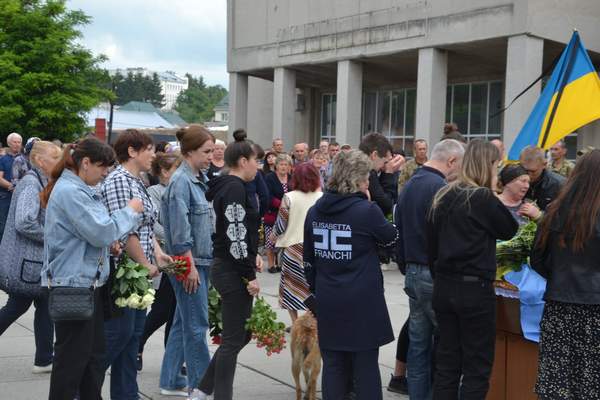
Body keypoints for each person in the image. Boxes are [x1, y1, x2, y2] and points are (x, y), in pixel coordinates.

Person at [40, 138, 143, 400]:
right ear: (85, 163)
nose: (106, 172)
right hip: (73, 285)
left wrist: (107, 246)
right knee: (72, 361)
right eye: (103, 166)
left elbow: (91, 235)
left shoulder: (78, 188)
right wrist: (129, 212)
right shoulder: (71, 192)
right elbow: (101, 230)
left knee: (92, 358)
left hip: (86, 284)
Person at [427, 139, 519, 399]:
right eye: (495, 166)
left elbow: (430, 248)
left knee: (447, 365)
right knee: (476, 368)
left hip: (444, 286)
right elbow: (509, 229)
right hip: (474, 289)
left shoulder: (443, 195)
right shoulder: (481, 197)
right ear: (487, 166)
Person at [303, 150, 397, 400]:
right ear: (356, 180)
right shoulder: (366, 212)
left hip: (329, 297)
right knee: (365, 366)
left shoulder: (315, 212)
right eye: (366, 178)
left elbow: (309, 259)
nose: (368, 183)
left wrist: (316, 291)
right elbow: (392, 238)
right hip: (362, 300)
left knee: (333, 365)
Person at [100, 129, 172, 400]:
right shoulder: (120, 180)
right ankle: (81, 389)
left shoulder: (137, 179)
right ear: (132, 151)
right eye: (149, 149)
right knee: (119, 336)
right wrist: (144, 263)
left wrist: (158, 253)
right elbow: (125, 230)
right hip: (124, 271)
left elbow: (145, 228)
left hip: (138, 271)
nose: (154, 154)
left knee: (132, 339)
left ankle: (127, 394)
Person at [395, 139, 464, 399]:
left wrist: (404, 264)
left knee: (419, 347)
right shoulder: (440, 187)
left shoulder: (411, 183)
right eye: (460, 166)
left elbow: (399, 227)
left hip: (413, 271)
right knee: (448, 344)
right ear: (452, 161)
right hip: (432, 273)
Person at [196, 130, 263, 400]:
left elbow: (239, 233)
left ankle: (202, 390)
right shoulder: (234, 188)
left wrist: (252, 254)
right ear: (243, 161)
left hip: (229, 264)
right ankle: (218, 394)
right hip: (231, 269)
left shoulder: (228, 186)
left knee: (240, 335)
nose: (258, 167)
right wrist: (249, 276)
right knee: (234, 340)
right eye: (256, 161)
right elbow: (234, 234)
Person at [531, 149, 600, 400]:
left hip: (559, 304)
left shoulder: (554, 210)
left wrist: (558, 275)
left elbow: (537, 259)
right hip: (595, 309)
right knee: (592, 383)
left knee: (556, 381)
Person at [159, 125, 215, 397]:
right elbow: (181, 233)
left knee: (184, 322)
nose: (210, 156)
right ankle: (200, 387)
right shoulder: (181, 182)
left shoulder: (194, 178)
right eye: (206, 151)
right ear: (190, 151)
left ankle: (170, 380)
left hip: (193, 261)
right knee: (196, 326)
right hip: (187, 262)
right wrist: (190, 266)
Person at [0, 141, 61, 374]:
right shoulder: (31, 182)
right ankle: (44, 358)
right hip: (27, 263)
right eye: (54, 158)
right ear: (39, 161)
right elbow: (24, 221)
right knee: (17, 306)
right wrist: (53, 237)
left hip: (34, 264)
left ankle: (44, 359)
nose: (59, 162)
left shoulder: (41, 180)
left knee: (44, 307)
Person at [137, 152, 181, 371]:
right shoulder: (154, 192)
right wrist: (176, 239)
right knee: (163, 309)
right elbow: (152, 224)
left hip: (182, 257)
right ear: (164, 171)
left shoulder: (182, 190)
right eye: (176, 169)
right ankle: (139, 343)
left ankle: (172, 361)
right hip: (163, 257)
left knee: (175, 311)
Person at [270, 163, 322, 324]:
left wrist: (273, 236)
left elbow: (281, 224)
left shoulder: (289, 197)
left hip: (294, 248)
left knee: (291, 287)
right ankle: (311, 319)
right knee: (312, 286)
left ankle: (295, 323)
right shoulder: (321, 197)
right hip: (316, 247)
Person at [359, 133, 404, 216]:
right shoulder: (367, 173)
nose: (385, 166)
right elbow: (386, 206)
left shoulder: (360, 169)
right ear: (374, 155)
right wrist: (389, 174)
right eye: (385, 162)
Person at [264, 154, 292, 273]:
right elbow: (267, 196)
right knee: (271, 240)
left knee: (284, 240)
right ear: (276, 166)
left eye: (286, 164)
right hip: (272, 213)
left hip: (288, 214)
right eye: (281, 164)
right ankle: (271, 265)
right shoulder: (269, 178)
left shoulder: (292, 178)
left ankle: (281, 263)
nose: (283, 167)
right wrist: (282, 204)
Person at [519, 146, 565, 211]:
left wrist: (539, 216)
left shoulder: (559, 185)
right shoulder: (513, 181)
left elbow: (563, 215)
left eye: (533, 171)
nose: (528, 176)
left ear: (544, 165)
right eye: (524, 170)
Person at [0, 132, 23, 236]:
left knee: (18, 225)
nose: (17, 144)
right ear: (9, 143)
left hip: (21, 197)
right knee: (3, 226)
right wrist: (12, 187)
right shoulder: (3, 159)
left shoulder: (25, 160)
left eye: (19, 142)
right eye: (15, 142)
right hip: (6, 196)